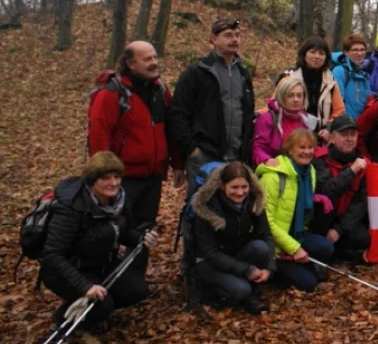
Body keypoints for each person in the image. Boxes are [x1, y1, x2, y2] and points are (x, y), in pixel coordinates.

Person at [41, 152, 156, 327]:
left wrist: (141, 237)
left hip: (100, 263)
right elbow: (53, 255)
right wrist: (85, 287)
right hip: (68, 269)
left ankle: (93, 309)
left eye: (117, 177)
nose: (114, 183)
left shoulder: (119, 199)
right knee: (102, 304)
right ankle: (65, 317)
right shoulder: (72, 206)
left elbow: (123, 232)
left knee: (137, 290)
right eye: (106, 178)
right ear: (92, 180)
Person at [88, 41, 182, 245]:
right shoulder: (112, 93)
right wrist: (104, 176)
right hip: (122, 179)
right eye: (147, 59)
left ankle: (136, 275)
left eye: (155, 57)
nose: (154, 63)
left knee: (145, 232)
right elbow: (99, 136)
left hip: (154, 176)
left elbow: (170, 129)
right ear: (130, 63)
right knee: (116, 230)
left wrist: (178, 164)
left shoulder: (160, 91)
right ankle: (111, 275)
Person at [168, 18, 255, 194]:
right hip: (205, 156)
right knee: (200, 210)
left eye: (237, 35)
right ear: (213, 39)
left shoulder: (243, 72)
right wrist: (193, 151)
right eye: (228, 35)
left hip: (237, 157)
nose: (235, 40)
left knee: (232, 210)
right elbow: (177, 114)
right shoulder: (198, 71)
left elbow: (248, 113)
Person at [191, 162, 275, 314]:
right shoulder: (207, 208)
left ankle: (248, 290)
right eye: (234, 187)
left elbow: (266, 234)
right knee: (241, 289)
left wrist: (270, 267)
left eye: (244, 187)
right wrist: (246, 270)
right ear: (223, 186)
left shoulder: (253, 201)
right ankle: (211, 290)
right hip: (209, 262)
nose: (240, 192)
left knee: (261, 247)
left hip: (235, 253)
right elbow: (210, 253)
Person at [256, 129, 334, 292]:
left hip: (296, 233)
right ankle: (275, 269)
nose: (307, 152)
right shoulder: (273, 177)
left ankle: (296, 263)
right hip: (273, 244)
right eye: (302, 147)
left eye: (310, 147)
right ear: (290, 150)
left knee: (326, 247)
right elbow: (266, 223)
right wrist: (294, 248)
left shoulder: (309, 172)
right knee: (309, 284)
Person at [312, 116, 371, 256]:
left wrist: (339, 230)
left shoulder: (364, 163)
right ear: (332, 138)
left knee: (362, 239)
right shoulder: (319, 159)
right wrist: (351, 172)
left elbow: (360, 203)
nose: (350, 139)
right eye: (344, 135)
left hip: (344, 218)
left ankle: (335, 247)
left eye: (353, 135)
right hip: (321, 217)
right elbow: (326, 192)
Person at [278, 36, 344, 142]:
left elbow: (339, 109)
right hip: (292, 136)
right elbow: (274, 103)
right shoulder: (289, 77)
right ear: (304, 54)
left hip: (320, 139)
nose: (316, 56)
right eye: (312, 52)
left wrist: (329, 127)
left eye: (321, 53)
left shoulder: (330, 81)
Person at [252, 76, 318, 168]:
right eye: (290, 96)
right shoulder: (267, 118)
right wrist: (266, 160)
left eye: (299, 95)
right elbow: (257, 148)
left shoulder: (307, 121)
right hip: (275, 170)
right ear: (282, 97)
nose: (296, 99)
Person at [332, 34, 372, 118]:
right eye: (355, 50)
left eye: (362, 50)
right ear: (346, 52)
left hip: (361, 124)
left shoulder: (363, 74)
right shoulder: (339, 71)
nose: (359, 53)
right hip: (344, 125)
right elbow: (337, 103)